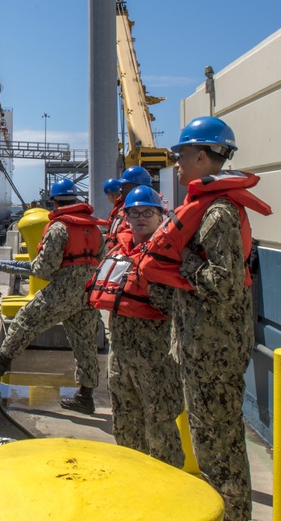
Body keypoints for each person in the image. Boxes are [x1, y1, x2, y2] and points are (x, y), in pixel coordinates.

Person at [137, 117, 271, 521]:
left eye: (180, 155)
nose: (176, 163)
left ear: (200, 155)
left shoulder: (218, 213)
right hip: (199, 347)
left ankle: (232, 516)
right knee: (208, 442)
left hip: (215, 352)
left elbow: (225, 283)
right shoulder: (204, 208)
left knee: (220, 450)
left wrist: (183, 260)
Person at [87, 185, 183, 467]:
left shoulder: (166, 256)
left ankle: (169, 498)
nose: (140, 218)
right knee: (125, 424)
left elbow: (175, 307)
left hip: (156, 358)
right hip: (120, 355)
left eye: (148, 212)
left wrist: (147, 280)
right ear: (126, 217)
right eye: (134, 212)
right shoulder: (119, 251)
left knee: (160, 428)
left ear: (160, 215)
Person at [0, 179, 105, 415]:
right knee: (85, 343)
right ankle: (86, 396)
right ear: (76, 200)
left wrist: (35, 265)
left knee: (27, 319)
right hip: (88, 291)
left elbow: (44, 269)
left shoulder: (58, 228)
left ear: (53, 202)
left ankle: (1, 361)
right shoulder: (93, 228)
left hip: (64, 289)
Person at [105, 166, 150, 252]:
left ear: (137, 187)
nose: (120, 190)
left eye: (124, 186)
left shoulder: (149, 212)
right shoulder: (122, 208)